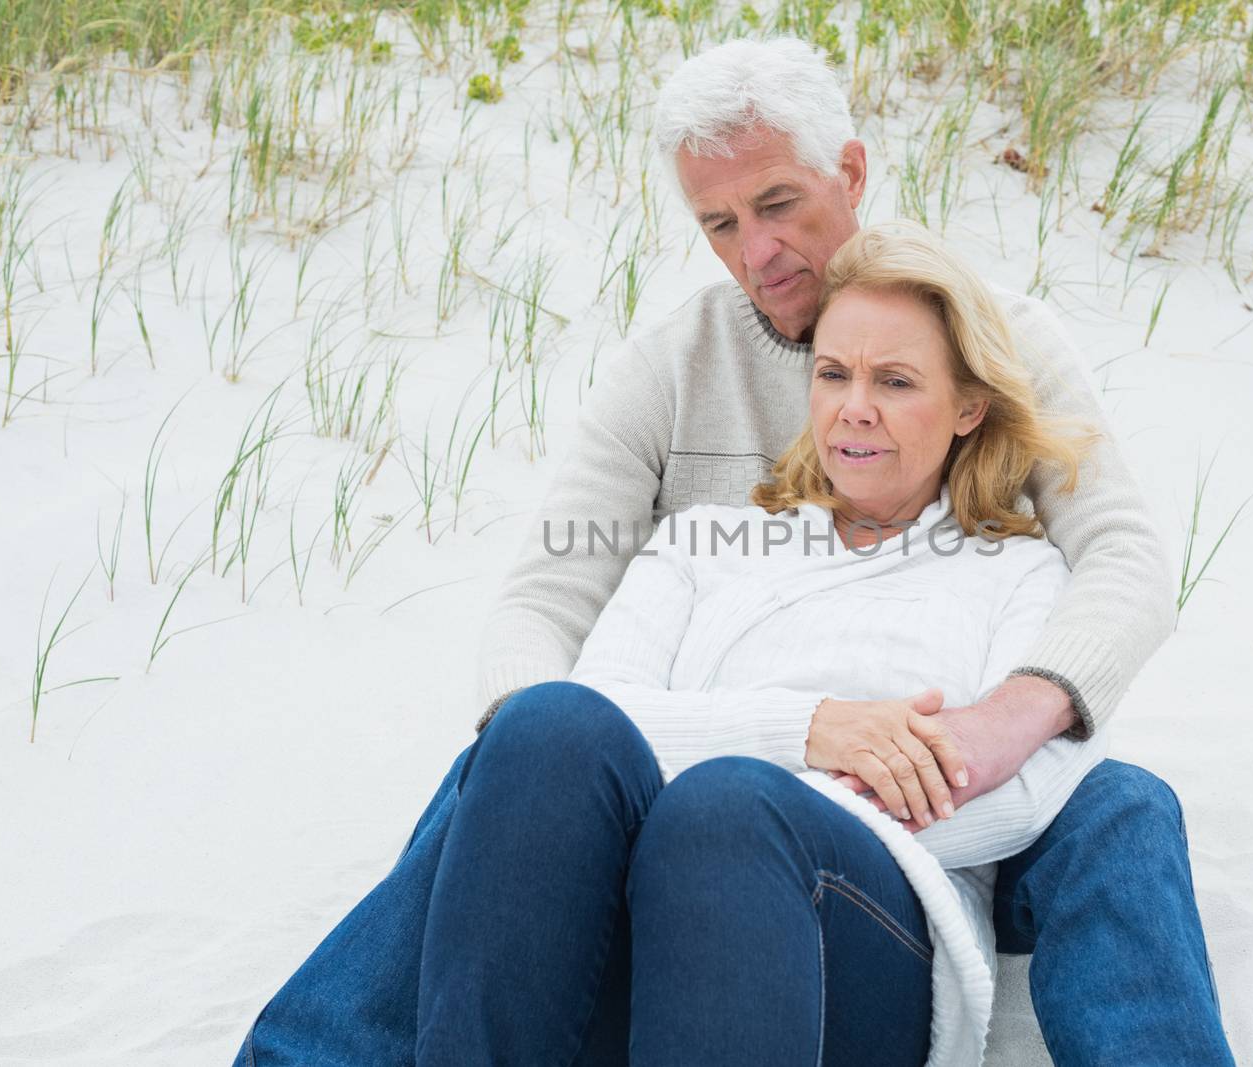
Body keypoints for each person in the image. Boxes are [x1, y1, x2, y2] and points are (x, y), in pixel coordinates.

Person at [236, 38, 1234, 1067]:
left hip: (916, 805)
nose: (756, 250)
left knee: (1118, 804)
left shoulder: (1001, 356)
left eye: (778, 204)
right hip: (675, 792)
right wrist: (582, 784)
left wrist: (997, 723)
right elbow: (546, 600)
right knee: (535, 742)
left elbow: (1120, 556)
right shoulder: (677, 398)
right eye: (719, 223)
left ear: (848, 173)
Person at [416, 222, 1104, 1065]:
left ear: (969, 407)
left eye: (894, 380)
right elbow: (604, 725)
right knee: (543, 723)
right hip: (643, 911)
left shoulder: (1021, 573)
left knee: (727, 808)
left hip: (863, 941)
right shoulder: (704, 541)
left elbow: (1022, 796)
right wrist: (809, 730)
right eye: (833, 373)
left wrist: (766, 798)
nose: (855, 406)